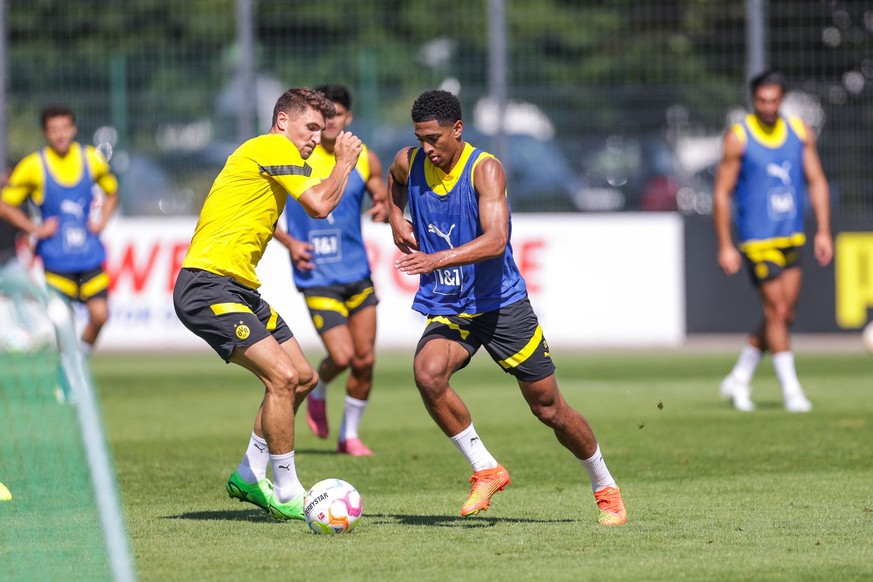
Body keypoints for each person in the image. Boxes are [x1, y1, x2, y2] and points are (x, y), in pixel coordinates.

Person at [385, 89, 627, 525]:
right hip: (453, 304)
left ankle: (604, 484)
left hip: (501, 305)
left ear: (457, 130)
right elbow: (395, 179)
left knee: (548, 408)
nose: (427, 148)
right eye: (420, 138)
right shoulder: (410, 160)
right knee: (427, 373)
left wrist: (434, 259)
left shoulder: (485, 169)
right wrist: (396, 217)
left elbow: (496, 241)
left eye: (435, 138)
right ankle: (486, 468)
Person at [173, 87, 362, 521]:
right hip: (207, 285)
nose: (317, 137)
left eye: (322, 129)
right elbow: (318, 206)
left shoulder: (274, 157)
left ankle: (248, 472)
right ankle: (288, 489)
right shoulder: (273, 146)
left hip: (239, 288)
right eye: (310, 127)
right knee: (281, 376)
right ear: (282, 122)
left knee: (304, 377)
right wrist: (345, 163)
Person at [273, 84, 388, 457]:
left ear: (347, 118)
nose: (328, 125)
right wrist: (291, 243)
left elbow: (381, 193)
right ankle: (320, 387)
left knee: (366, 360)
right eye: (322, 120)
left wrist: (385, 207)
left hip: (357, 272)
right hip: (318, 275)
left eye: (336, 116)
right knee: (342, 357)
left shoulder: (364, 157)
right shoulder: (296, 156)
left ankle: (349, 436)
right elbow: (260, 209)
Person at [713, 70, 833, 413]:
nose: (768, 106)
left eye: (774, 100)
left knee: (785, 314)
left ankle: (739, 376)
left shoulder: (798, 131)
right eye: (762, 100)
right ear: (753, 100)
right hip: (757, 241)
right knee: (777, 311)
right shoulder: (739, 137)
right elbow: (721, 193)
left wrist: (823, 229)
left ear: (782, 100)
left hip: (791, 234)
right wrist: (725, 243)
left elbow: (817, 180)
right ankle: (792, 390)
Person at [0, 105, 118, 352]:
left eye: (65, 128)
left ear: (73, 129)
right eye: (54, 130)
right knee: (63, 327)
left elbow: (112, 192)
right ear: (46, 133)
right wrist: (34, 228)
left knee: (100, 316)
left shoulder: (90, 158)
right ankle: (68, 374)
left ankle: (80, 361)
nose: (61, 135)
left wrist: (102, 221)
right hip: (56, 260)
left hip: (88, 255)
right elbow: (5, 205)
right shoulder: (34, 165)